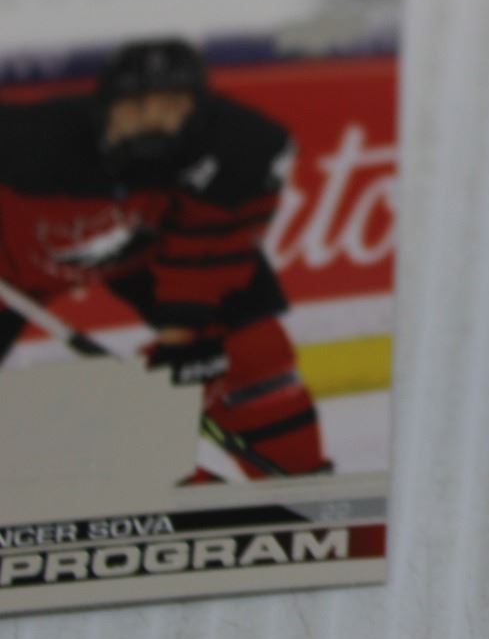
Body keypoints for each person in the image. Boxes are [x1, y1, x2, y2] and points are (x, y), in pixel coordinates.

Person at [0, 39, 330, 479]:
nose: (154, 119)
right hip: (9, 264)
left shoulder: (231, 147)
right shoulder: (29, 143)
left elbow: (212, 245)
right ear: (105, 108)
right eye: (137, 106)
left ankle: (297, 487)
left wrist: (184, 339)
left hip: (142, 254)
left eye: (172, 105)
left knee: (249, 348)